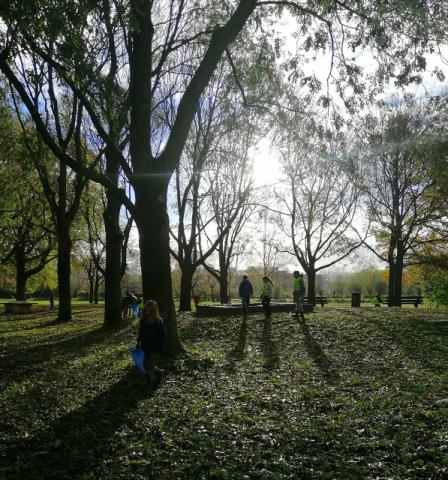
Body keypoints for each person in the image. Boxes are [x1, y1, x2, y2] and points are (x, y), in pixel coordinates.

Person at [136, 300, 167, 386]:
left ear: (154, 311)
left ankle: (149, 385)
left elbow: (163, 335)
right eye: (146, 310)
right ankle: (160, 372)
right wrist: (138, 341)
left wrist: (161, 346)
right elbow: (141, 332)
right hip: (145, 346)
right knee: (145, 365)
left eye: (149, 310)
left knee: (150, 367)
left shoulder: (158, 321)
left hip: (155, 347)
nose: (147, 312)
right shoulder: (143, 320)